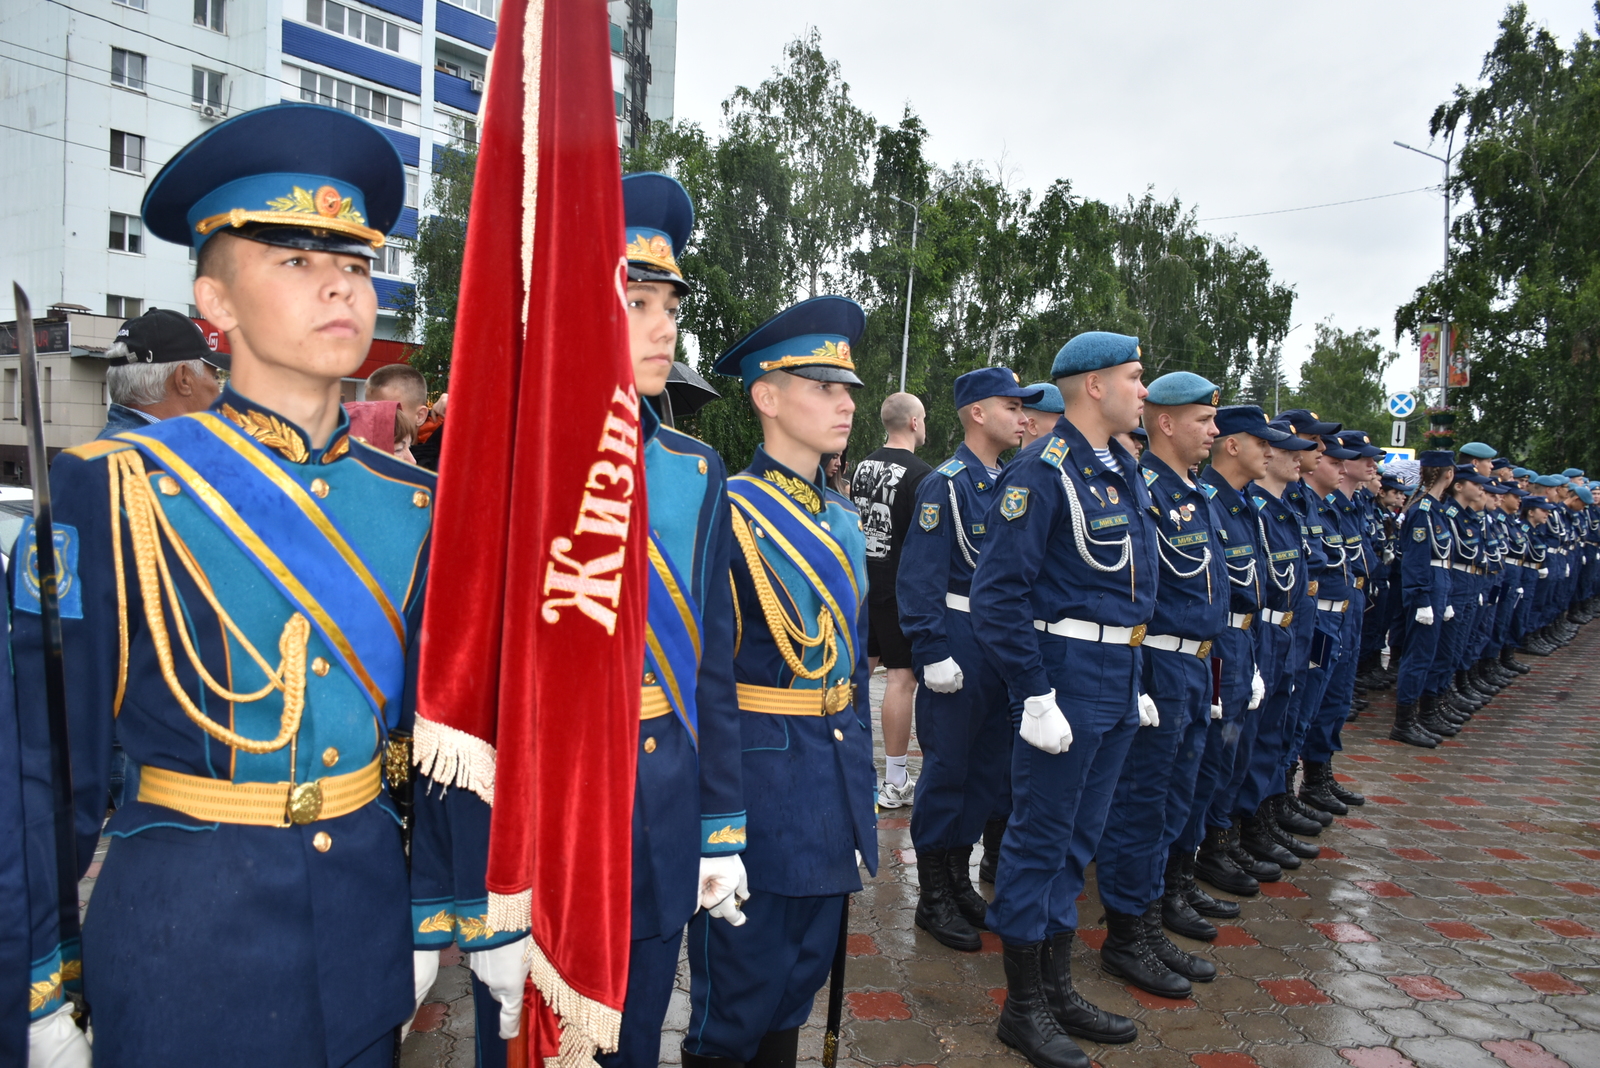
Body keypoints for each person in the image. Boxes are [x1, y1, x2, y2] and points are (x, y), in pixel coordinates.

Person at [11, 102, 434, 1066]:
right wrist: (37, 988)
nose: (339, 286)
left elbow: (440, 745)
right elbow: (44, 774)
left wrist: (441, 912)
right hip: (188, 956)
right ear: (217, 303)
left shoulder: (419, 505)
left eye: (356, 265)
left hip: (367, 936)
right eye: (295, 261)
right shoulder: (109, 493)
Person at [687, 295, 878, 1068]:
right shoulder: (725, 512)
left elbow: (853, 671)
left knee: (796, 991)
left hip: (828, 790)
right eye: (823, 385)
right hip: (760, 799)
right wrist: (717, 828)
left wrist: (858, 788)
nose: (844, 402)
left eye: (850, 389)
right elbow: (711, 687)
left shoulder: (841, 516)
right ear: (765, 396)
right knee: (735, 1005)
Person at [971, 331, 1158, 1068]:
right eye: (1133, 378)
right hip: (1065, 676)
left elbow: (1128, 592)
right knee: (1039, 841)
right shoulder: (1041, 472)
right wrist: (1034, 693)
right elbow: (997, 595)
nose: (1141, 391)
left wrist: (1136, 682)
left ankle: (1055, 988)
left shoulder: (1119, 470)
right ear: (1093, 385)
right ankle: (1022, 1008)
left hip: (1115, 676)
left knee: (1078, 843)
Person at [896, 368, 1038, 951]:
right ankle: (932, 894)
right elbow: (918, 578)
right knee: (948, 771)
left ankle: (958, 878)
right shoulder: (946, 486)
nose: (1022, 417)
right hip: (957, 639)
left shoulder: (1009, 481)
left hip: (998, 645)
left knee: (986, 773)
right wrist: (930, 651)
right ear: (977, 412)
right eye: (1011, 406)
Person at [1093, 374, 1225, 996]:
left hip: (1194, 667)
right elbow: (1136, 597)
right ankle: (1125, 936)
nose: (1215, 432)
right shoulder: (1144, 493)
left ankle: (1147, 920)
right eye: (1204, 420)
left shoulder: (1195, 495)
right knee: (1140, 807)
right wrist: (1139, 679)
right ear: (1167, 424)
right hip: (1159, 669)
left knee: (1173, 802)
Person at [850, 392, 933, 809]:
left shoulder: (862, 464)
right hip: (899, 588)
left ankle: (848, 762)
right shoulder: (922, 475)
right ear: (915, 423)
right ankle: (896, 779)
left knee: (857, 676)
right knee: (902, 680)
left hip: (862, 582)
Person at [1391, 452, 1458, 745]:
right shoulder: (1421, 511)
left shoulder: (1435, 509)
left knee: (1427, 655)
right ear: (1449, 474)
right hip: (1427, 587)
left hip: (1438, 584)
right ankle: (1404, 722)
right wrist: (1420, 599)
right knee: (1417, 657)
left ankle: (1416, 716)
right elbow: (1415, 561)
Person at [99, 307, 228, 438]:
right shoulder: (155, 453)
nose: (219, 392)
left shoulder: (112, 448)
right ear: (184, 379)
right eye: (215, 377)